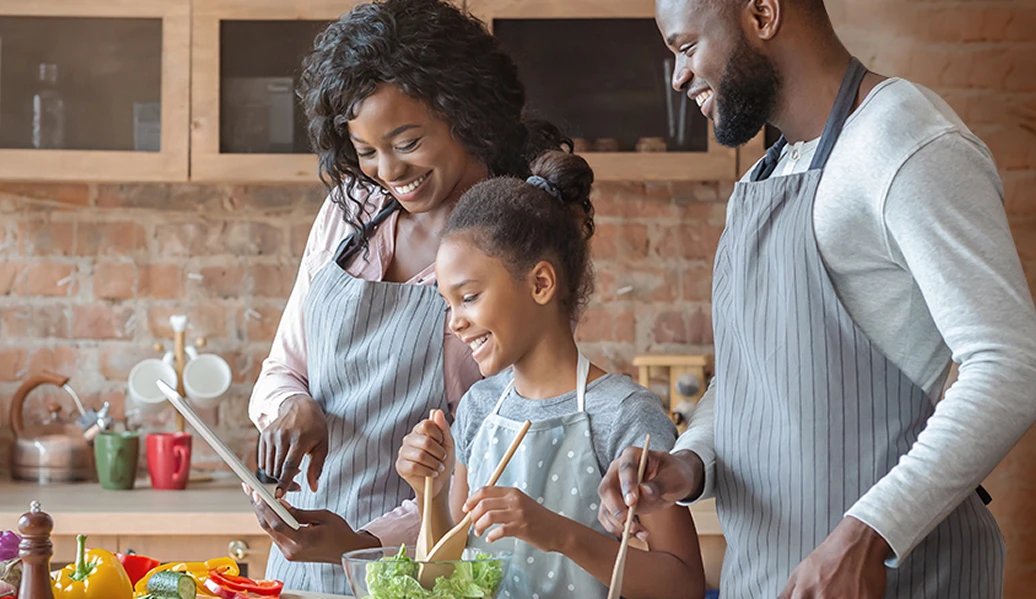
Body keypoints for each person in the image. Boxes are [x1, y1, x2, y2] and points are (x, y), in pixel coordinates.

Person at [598, 0, 1036, 598]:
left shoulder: (905, 138)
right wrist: (689, 463)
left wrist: (868, 533)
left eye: (685, 47)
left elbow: (1011, 366)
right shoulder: (763, 178)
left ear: (762, 14)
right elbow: (752, 378)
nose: (677, 77)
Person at [243, 0, 568, 593]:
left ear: (463, 114)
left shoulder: (509, 237)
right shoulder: (350, 211)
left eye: (406, 140)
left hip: (418, 570)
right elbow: (282, 368)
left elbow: (498, 459)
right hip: (301, 561)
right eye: (366, 151)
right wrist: (288, 411)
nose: (387, 170)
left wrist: (364, 545)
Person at [396, 151, 707, 599]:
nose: (454, 322)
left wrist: (557, 533)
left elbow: (683, 585)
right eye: (448, 303)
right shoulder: (478, 407)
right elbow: (449, 577)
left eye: (469, 297)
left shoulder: (623, 414)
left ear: (541, 283)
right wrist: (431, 489)